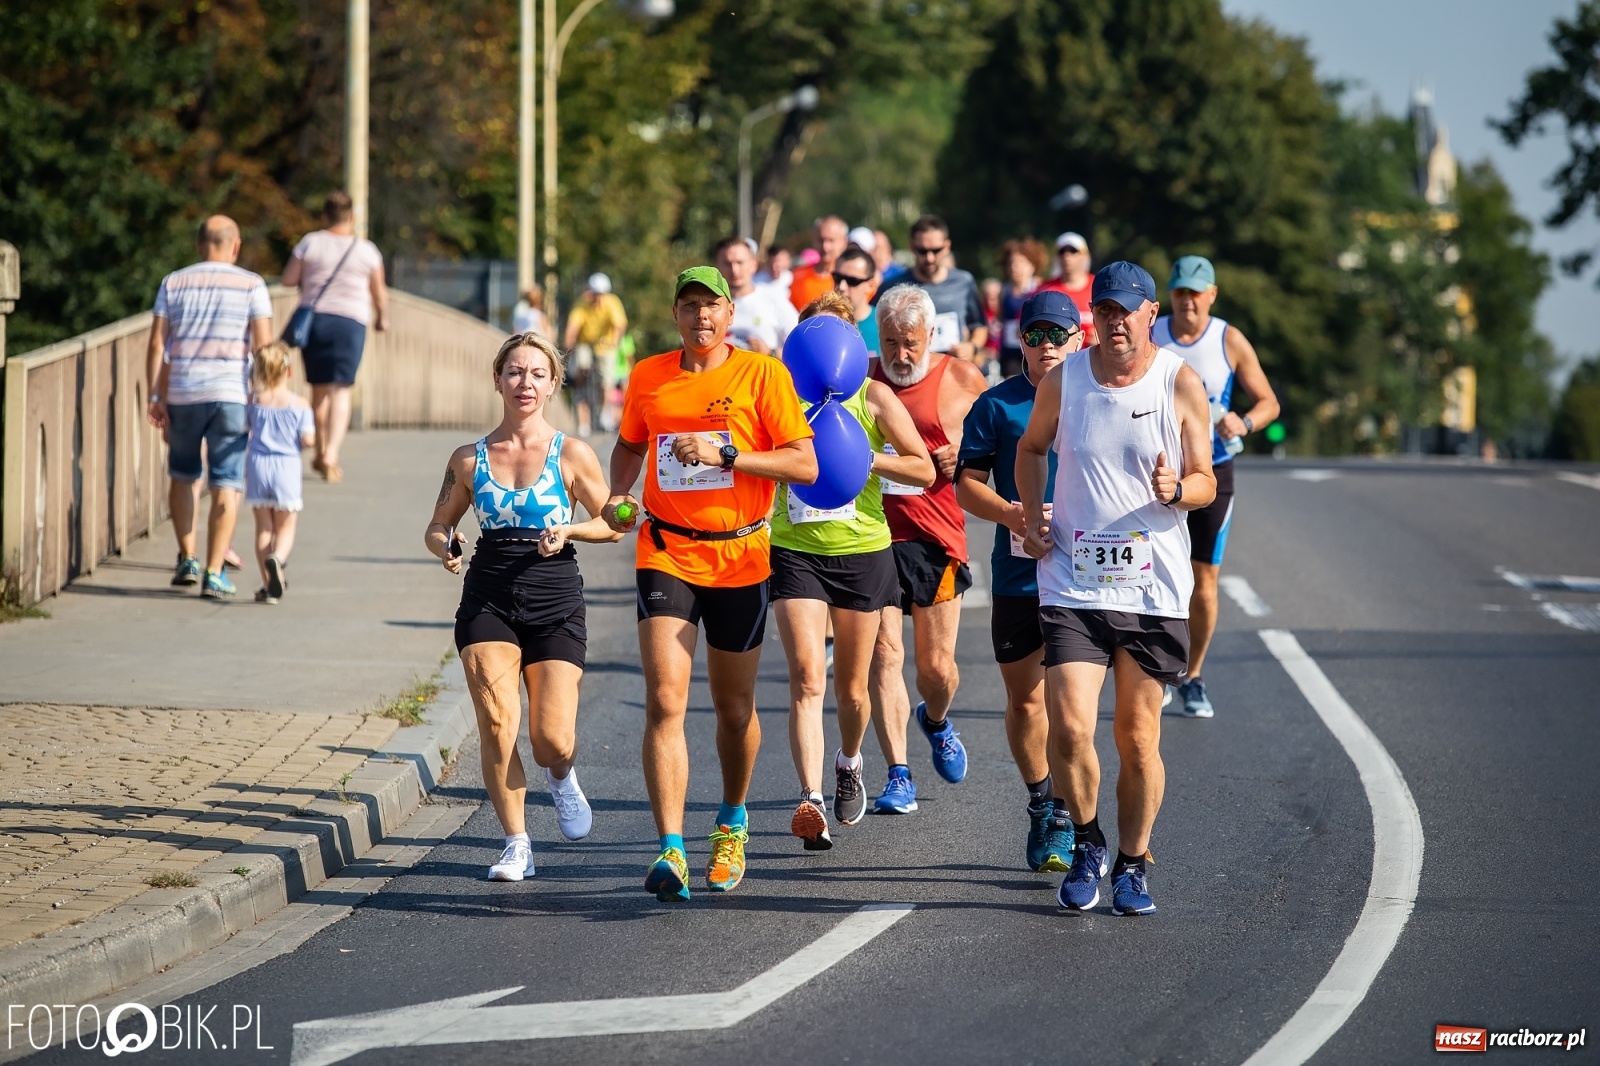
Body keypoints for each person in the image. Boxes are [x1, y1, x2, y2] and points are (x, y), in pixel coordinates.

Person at [602, 266, 817, 901]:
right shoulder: (648, 376)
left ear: (730, 315)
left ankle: (731, 819)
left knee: (733, 708)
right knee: (666, 701)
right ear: (675, 315)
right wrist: (618, 494)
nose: (701, 316)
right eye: (689, 304)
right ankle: (670, 847)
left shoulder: (762, 375)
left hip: (741, 557)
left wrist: (726, 456)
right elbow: (628, 447)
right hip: (666, 550)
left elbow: (803, 464)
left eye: (712, 305)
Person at [1015, 261, 1216, 916]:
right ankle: (1088, 842)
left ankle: (1134, 862)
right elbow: (1031, 449)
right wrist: (1031, 515)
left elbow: (1206, 479)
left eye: (1126, 310)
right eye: (1103, 310)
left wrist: (1178, 491)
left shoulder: (1179, 384)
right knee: (1070, 725)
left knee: (1137, 737)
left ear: (1151, 313)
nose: (1114, 321)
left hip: (1153, 590)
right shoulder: (1065, 379)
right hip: (1074, 583)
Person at [426, 331, 618, 881]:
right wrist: (449, 546)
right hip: (488, 594)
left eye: (537, 374)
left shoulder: (572, 454)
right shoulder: (469, 459)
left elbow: (614, 523)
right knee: (497, 722)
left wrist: (572, 529)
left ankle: (561, 775)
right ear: (497, 381)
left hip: (555, 595)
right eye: (514, 372)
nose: (525, 383)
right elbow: (438, 526)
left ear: (553, 384)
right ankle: (516, 842)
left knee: (550, 738)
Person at [772, 291, 934, 849]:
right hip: (795, 549)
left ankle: (849, 761)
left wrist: (867, 458)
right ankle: (810, 798)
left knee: (853, 689)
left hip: (863, 552)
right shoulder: (778, 396)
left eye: (837, 330)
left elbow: (924, 470)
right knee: (806, 677)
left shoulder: (875, 397)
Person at [954, 291, 1082, 871]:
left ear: (1081, 338)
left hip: (1087, 578)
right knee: (1027, 703)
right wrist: (1012, 514)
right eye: (1035, 336)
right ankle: (1040, 802)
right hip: (1018, 573)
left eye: (1059, 335)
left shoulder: (1101, 397)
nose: (1047, 346)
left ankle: (1066, 814)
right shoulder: (997, 405)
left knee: (1071, 707)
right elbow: (965, 484)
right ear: (1021, 342)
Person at [866, 284, 987, 813]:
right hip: (871, 536)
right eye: (890, 342)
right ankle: (898, 773)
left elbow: (1001, 451)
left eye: (910, 342)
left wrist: (963, 455)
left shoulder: (961, 379)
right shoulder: (861, 377)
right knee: (885, 655)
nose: (900, 355)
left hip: (937, 538)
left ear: (931, 335)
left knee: (936, 670)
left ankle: (935, 720)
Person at [1151, 255, 1280, 718]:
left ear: (1212, 295)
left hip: (1213, 470)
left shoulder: (1228, 339)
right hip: (1156, 472)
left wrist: (1242, 421)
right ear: (1171, 295)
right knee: (1152, 572)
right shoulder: (1152, 333)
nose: (1187, 302)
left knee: (1203, 581)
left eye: (1196, 293)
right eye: (1180, 292)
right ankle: (1157, 669)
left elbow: (1269, 403)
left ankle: (1193, 675)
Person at [146, 215, 273, 599]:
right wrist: (262, 397)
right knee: (226, 483)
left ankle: (187, 557)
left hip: (183, 392)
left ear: (200, 244)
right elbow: (264, 349)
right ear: (234, 246)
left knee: (183, 474)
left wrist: (156, 396)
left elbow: (156, 345)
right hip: (231, 395)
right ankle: (215, 572)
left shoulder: (174, 281)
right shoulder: (252, 285)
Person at [281, 191, 388, 485]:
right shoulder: (367, 250)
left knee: (319, 390)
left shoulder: (310, 242)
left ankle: (321, 447)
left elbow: (288, 279)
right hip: (352, 322)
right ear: (351, 217)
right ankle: (330, 454)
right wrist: (382, 317)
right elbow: (379, 291)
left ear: (324, 216)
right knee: (342, 390)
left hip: (317, 322)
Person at [243, 342, 315, 604]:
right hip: (286, 467)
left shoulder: (253, 401)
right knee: (285, 526)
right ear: (289, 371)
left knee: (264, 528)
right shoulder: (300, 404)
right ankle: (279, 560)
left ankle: (268, 584)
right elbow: (308, 439)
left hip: (258, 465)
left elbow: (244, 426)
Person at [879, 214, 988, 368]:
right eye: (922, 251)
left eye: (936, 250)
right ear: (911, 247)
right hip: (909, 370)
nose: (929, 258)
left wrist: (972, 347)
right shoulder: (894, 287)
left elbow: (979, 326)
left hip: (953, 369)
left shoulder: (964, 281)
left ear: (947, 246)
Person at [563, 273, 629, 437]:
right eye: (595, 294)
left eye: (601, 294)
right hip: (586, 342)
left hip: (605, 344)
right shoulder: (582, 304)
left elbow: (619, 325)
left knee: (607, 378)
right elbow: (573, 326)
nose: (598, 298)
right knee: (581, 365)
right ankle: (581, 389)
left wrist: (615, 341)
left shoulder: (612, 303)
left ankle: (605, 413)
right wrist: (568, 343)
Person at [715, 236, 799, 355]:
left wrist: (771, 352)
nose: (734, 270)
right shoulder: (709, 306)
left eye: (740, 262)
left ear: (753, 265)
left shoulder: (775, 301)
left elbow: (801, 350)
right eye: (727, 264)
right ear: (717, 267)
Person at [997, 238, 1047, 378]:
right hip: (1010, 350)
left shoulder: (1039, 288)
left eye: (1020, 263)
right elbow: (1000, 319)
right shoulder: (1004, 291)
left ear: (1032, 266)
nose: (1015, 267)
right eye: (1011, 263)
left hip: (1033, 347)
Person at [1038, 231, 1096, 346]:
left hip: (1094, 359)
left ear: (1085, 255)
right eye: (1062, 251)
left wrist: (1103, 338)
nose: (1067, 256)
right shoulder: (1045, 290)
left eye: (1073, 251)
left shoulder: (1098, 285)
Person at [789, 216, 849, 312]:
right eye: (821, 240)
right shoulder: (797, 276)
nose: (825, 246)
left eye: (831, 240)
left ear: (844, 242)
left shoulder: (852, 280)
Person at [832, 246, 881, 357]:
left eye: (852, 281)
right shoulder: (820, 324)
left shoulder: (885, 325)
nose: (842, 286)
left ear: (871, 285)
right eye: (837, 278)